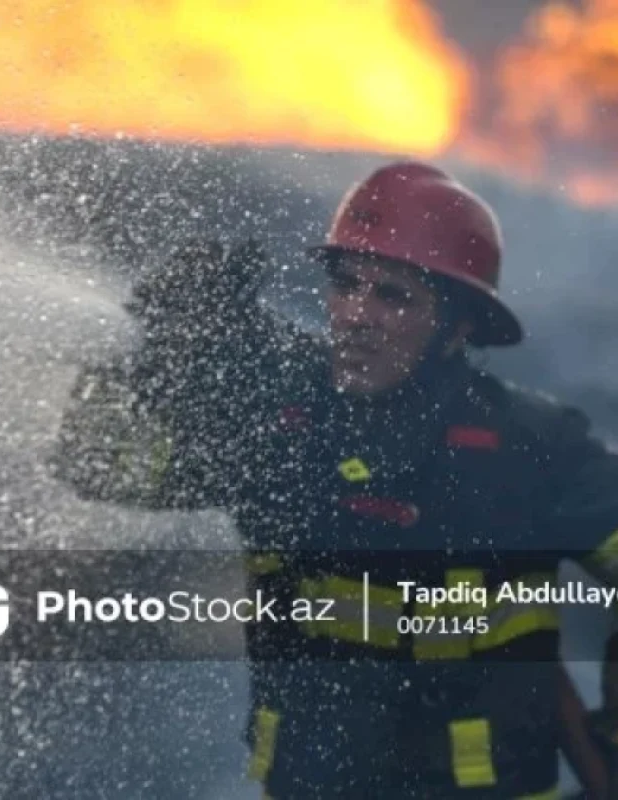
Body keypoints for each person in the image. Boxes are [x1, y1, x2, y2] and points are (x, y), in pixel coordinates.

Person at [50, 160, 618, 797]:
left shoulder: (532, 446)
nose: (356, 313)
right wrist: (149, 361)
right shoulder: (276, 424)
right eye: (346, 284)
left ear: (459, 326)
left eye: (393, 295)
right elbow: (101, 467)